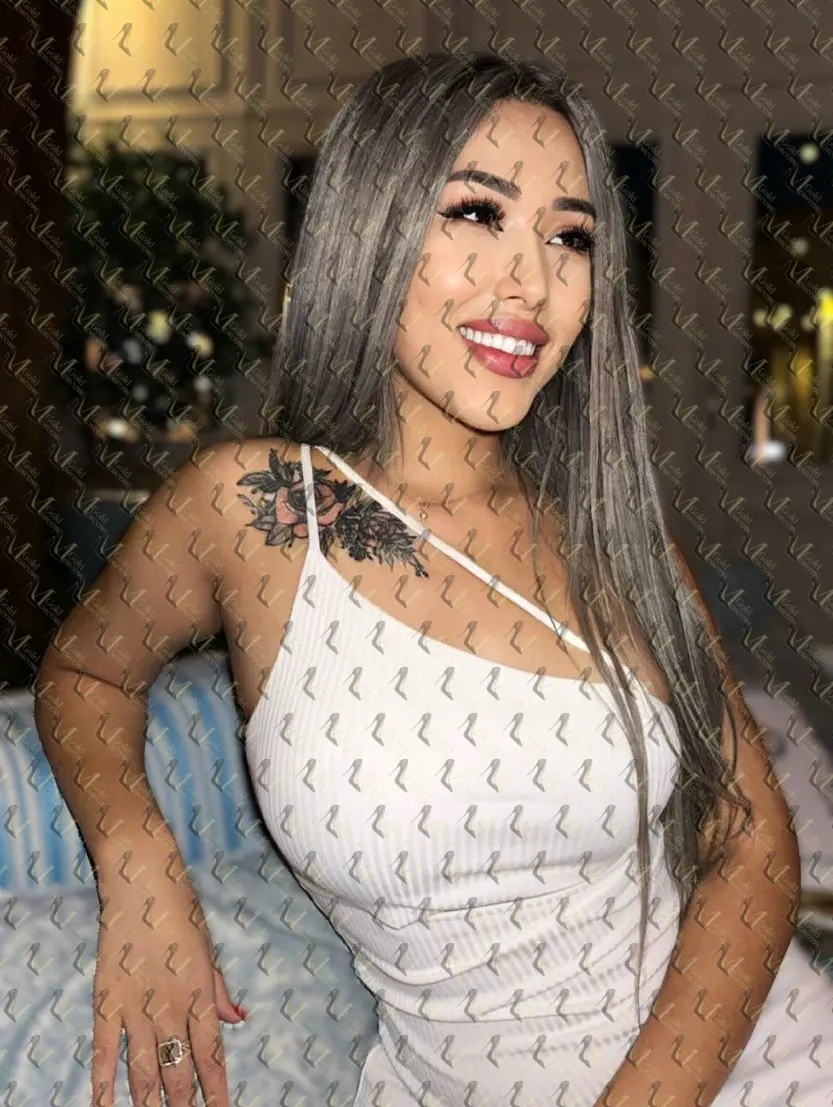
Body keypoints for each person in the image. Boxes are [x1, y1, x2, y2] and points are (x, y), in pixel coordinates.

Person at [35, 52, 822, 1107]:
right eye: (475, 213)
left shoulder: (612, 536)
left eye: (570, 236)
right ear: (371, 224)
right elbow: (86, 674)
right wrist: (137, 864)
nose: (529, 282)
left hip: (760, 1066)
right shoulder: (254, 509)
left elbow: (750, 839)